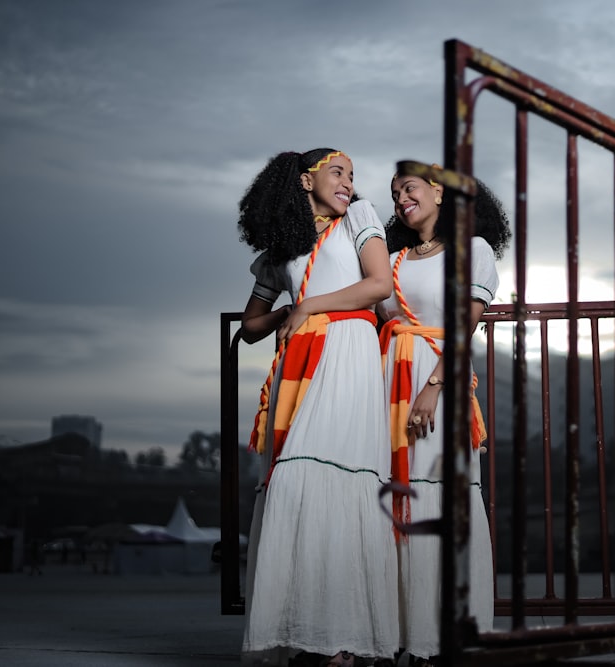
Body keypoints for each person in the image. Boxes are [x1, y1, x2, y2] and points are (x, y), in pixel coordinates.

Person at [237, 148, 399, 667]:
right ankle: (308, 632)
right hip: (299, 366)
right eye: (338, 172)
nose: (349, 181)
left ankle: (345, 643)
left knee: (343, 481)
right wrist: (289, 308)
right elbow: (250, 326)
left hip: (348, 352)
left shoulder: (360, 217)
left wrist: (309, 304)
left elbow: (378, 286)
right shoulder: (282, 247)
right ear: (306, 179)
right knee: (294, 483)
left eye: (353, 174)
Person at [378, 167, 511, 665]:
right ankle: (397, 635)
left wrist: (434, 388)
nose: (400, 199)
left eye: (408, 189)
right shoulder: (390, 260)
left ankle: (443, 639)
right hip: (387, 385)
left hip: (436, 381)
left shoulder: (472, 250)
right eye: (394, 195)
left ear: (439, 191)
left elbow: (464, 325)